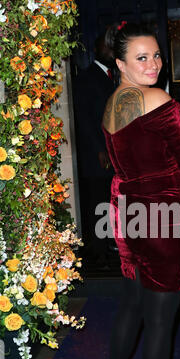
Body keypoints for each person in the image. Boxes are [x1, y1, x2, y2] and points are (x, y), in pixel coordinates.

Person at [101, 22, 180, 359]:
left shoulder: (113, 103)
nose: (154, 64)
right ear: (121, 62)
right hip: (165, 215)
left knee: (131, 304)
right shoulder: (158, 99)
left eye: (157, 55)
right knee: (160, 320)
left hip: (128, 213)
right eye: (142, 57)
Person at [73, 35, 116, 269]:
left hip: (110, 153)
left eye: (113, 46)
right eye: (106, 45)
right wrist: (100, 149)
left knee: (108, 202)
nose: (110, 50)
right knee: (97, 202)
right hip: (95, 155)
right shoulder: (87, 78)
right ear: (96, 47)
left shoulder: (112, 76)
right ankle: (98, 254)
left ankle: (107, 247)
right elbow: (85, 119)